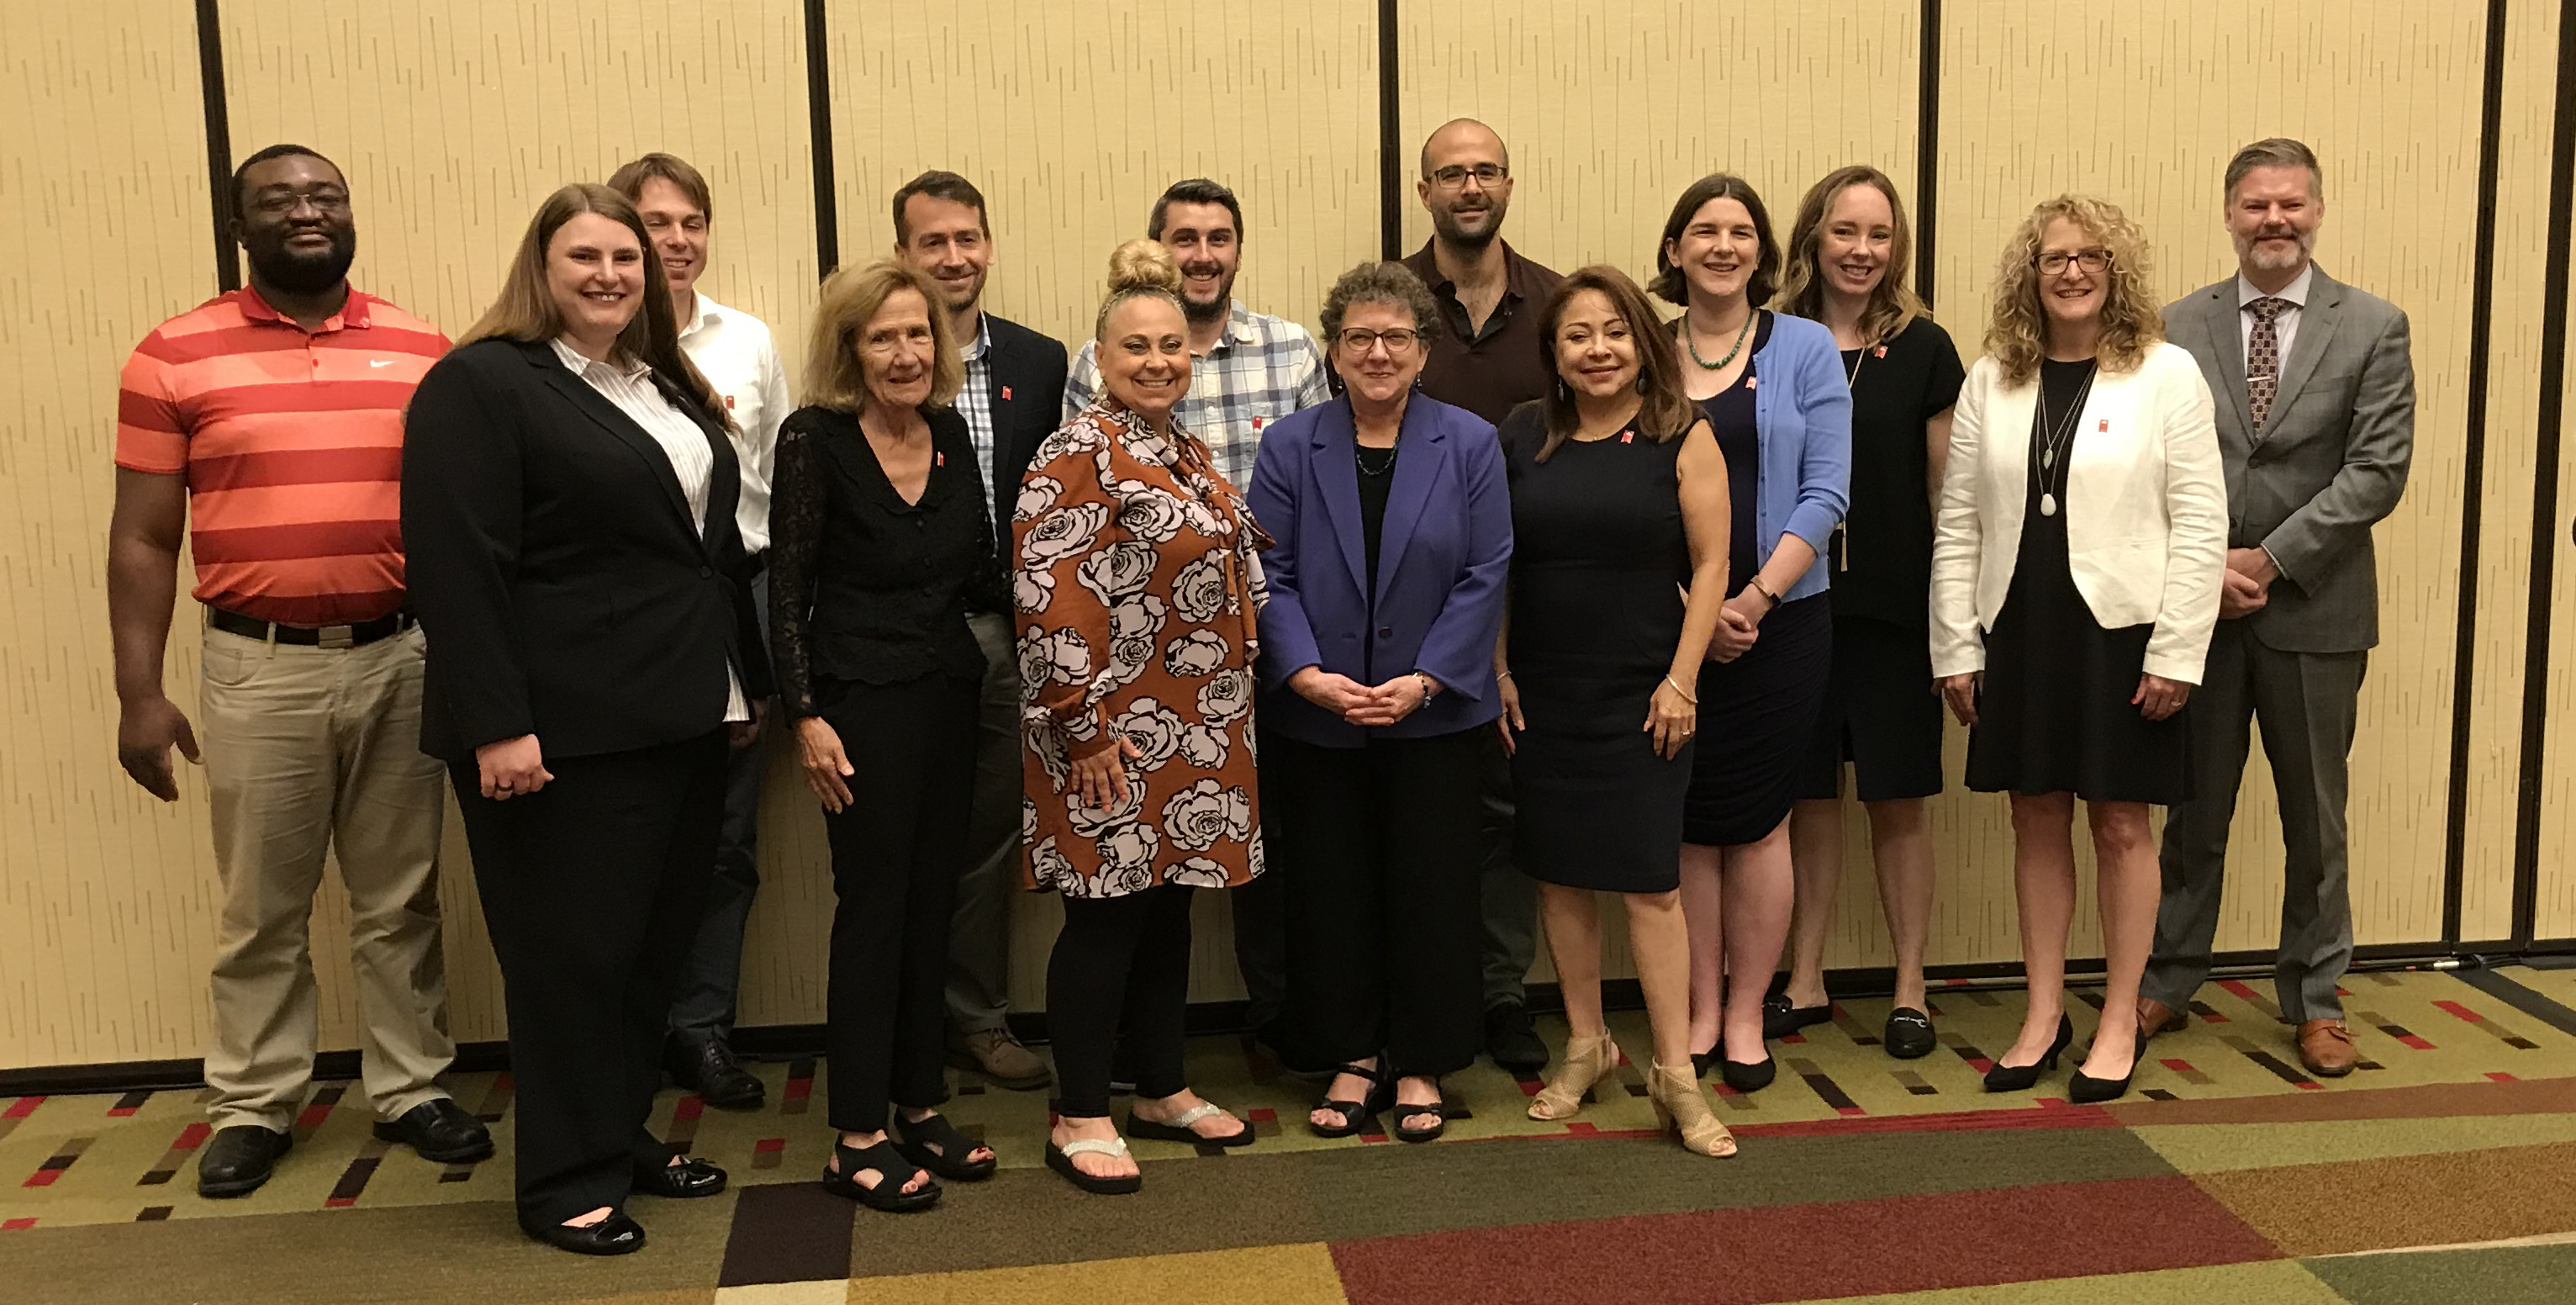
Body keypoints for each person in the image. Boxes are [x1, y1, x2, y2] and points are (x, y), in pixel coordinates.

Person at [108, 144, 491, 1200]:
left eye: (324, 195)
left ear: (351, 213)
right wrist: (140, 694)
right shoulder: (172, 355)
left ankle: (412, 1087)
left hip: (404, 654)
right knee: (261, 906)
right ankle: (255, 1102)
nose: (307, 211)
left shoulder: (423, 347)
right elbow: (143, 539)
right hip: (256, 664)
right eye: (279, 200)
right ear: (243, 227)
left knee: (400, 897)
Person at [402, 183, 768, 1255]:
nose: (610, 274)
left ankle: (617, 1135)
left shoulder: (658, 383)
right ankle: (564, 1177)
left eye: (627, 257)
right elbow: (457, 568)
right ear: (541, 267)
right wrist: (496, 724)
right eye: (586, 257)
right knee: (572, 960)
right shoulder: (482, 384)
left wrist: (736, 689)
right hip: (555, 735)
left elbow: (703, 553)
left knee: (649, 954)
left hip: (683, 716)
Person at [1929, 194, 2225, 1106]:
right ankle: (2042, 1013)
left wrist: (2177, 652)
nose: (2070, 270)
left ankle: (2118, 1016)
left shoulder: (2166, 373)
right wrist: (1954, 643)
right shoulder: (1993, 377)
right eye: (2053, 256)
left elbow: (2200, 521)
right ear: (2031, 274)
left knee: (2122, 824)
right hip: (2020, 626)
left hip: (2124, 631)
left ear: (2115, 271)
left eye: (2089, 255)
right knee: (2033, 815)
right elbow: (1960, 523)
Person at [2141, 139, 2415, 1079]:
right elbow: (2153, 462)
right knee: (2193, 811)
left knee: (2315, 817)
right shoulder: (2175, 325)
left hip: (2317, 611)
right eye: (2257, 205)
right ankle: (2167, 981)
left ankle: (2316, 998)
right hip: (2198, 612)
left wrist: (2268, 556)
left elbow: (2376, 471)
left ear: (2317, 211)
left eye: (2291, 205)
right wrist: (2204, 564)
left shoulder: (2373, 325)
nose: (2274, 222)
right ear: (2228, 214)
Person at [1021, 240, 1273, 1194]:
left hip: (1195, 718)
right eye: (1137, 347)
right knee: (1104, 919)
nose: (1158, 360)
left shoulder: (1180, 447)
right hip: (1108, 732)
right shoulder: (1077, 450)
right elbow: (1047, 596)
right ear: (1100, 358)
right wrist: (1081, 730)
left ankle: (1160, 1086)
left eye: (1172, 344)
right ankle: (1079, 1109)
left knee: (1169, 909)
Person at [1248, 262, 1512, 1142]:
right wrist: (1305, 675)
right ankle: (1353, 1054)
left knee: (1432, 889)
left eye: (1396, 337)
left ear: (1423, 351)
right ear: (1332, 351)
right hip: (1319, 715)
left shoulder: (1470, 443)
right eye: (1359, 337)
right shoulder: (1289, 446)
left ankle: (1424, 1061)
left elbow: (1487, 572)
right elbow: (1267, 575)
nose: (1377, 353)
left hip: (1433, 713)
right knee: (1330, 891)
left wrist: (1428, 676)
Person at [1063, 177, 1327, 1049]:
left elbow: (1316, 500)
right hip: (1139, 669)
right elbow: (1075, 545)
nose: (1203, 253)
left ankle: (1279, 1022)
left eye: (1219, 237)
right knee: (1133, 877)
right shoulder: (1092, 390)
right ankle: (1124, 1074)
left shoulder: (1288, 353)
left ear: (1238, 250)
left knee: (1260, 850)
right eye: (1185, 238)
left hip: (1255, 646)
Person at [769, 260, 1006, 1212]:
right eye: (882, 337)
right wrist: (805, 716)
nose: (905, 353)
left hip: (949, 696)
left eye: (917, 334)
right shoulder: (813, 440)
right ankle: (856, 1132)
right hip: (857, 710)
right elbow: (787, 590)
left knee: (928, 906)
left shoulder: (949, 433)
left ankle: (917, 1103)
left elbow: (985, 573)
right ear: (849, 348)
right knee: (873, 913)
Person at [1505, 267, 1736, 1159]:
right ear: (1554, 354)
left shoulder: (1683, 433)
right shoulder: (1523, 435)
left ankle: (1674, 1071)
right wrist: (1495, 671)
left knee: (1650, 883)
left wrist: (1681, 681)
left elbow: (1712, 566)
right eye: (1576, 336)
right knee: (1559, 875)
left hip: (1645, 688)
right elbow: (1498, 565)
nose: (1596, 349)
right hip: (1544, 685)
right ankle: (1586, 1043)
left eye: (1613, 331)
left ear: (1643, 341)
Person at [1655, 175, 1852, 1091]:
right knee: (1691, 825)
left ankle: (1745, 1016)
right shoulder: (1647, 352)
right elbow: (1630, 495)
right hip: (1672, 627)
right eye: (1704, 231)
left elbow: (1827, 490)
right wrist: (1696, 610)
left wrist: (1752, 602)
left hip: (1783, 620)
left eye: (1740, 232)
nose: (1722, 246)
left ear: (1762, 254)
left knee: (1762, 821)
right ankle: (1698, 1008)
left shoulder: (1805, 346)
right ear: (1674, 251)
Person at [607, 151, 793, 1112]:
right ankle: (626, 1031)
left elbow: (777, 488)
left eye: (691, 222)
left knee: (725, 835)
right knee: (631, 830)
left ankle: (701, 1026)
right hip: (629, 617)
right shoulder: (581, 345)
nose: (676, 241)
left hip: (738, 597)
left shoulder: (747, 340)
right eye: (655, 223)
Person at [1775, 166, 1965, 1059]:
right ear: (1813, 237)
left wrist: (1956, 622)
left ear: (1897, 249)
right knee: (1808, 798)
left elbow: (1947, 495)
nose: (1860, 250)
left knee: (1898, 799)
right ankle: (1803, 978)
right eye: (1844, 231)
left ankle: (1909, 986)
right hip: (1794, 606)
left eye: (1878, 235)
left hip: (1894, 609)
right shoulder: (1769, 341)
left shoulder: (1924, 348)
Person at [891, 169, 1067, 1092]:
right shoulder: (882, 355)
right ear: (904, 256)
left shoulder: (1041, 364)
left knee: (992, 831)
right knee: (900, 830)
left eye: (968, 238)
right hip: (896, 637)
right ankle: (903, 1016)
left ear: (988, 245)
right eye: (933, 242)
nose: (954, 257)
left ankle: (975, 1013)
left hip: (1009, 632)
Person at [1399, 118, 1565, 1074]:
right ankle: (1421, 990)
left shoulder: (1553, 305)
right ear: (1424, 190)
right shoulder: (1388, 299)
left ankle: (1501, 992)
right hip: (1398, 600)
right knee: (1416, 810)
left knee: (1502, 806)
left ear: (1509, 182)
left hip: (1524, 601)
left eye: (1485, 170)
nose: (1470, 185)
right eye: (1450, 173)